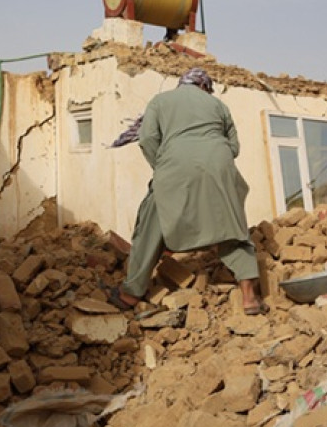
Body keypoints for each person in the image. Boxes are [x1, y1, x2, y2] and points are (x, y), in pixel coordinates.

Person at [106, 68, 268, 315]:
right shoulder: (218, 105)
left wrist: (162, 168)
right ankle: (249, 298)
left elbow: (147, 138)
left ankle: (129, 294)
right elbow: (233, 147)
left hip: (174, 166)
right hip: (219, 168)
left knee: (151, 225)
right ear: (204, 87)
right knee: (233, 229)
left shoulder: (160, 101)